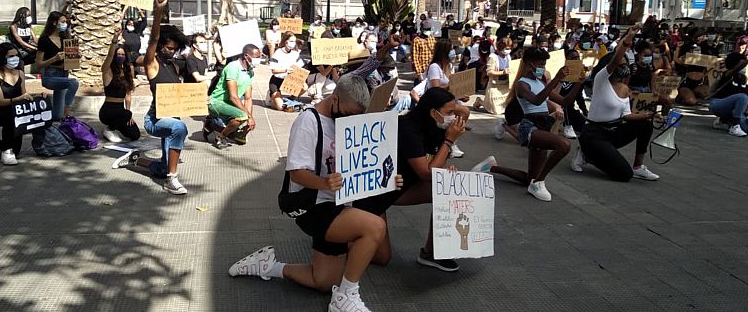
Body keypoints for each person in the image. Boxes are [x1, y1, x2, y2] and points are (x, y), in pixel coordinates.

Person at [229, 76, 398, 312]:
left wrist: (387, 177)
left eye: (355, 115)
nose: (351, 119)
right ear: (335, 99)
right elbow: (297, 173)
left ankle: (268, 266)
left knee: (325, 282)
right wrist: (324, 183)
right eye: (348, 113)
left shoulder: (348, 117)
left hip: (341, 202)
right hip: (316, 207)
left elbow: (365, 163)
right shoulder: (308, 122)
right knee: (374, 227)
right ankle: (346, 297)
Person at [354, 88, 470, 272]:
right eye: (449, 113)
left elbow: (436, 169)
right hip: (378, 191)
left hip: (404, 185)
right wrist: (449, 142)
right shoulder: (409, 129)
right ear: (433, 113)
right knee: (382, 258)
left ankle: (431, 252)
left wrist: (454, 118)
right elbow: (426, 173)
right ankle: (345, 234)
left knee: (449, 189)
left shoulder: (437, 127)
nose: (453, 117)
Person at [117, 0, 190, 195]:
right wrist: (158, 11)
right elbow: (154, 38)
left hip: (172, 115)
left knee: (163, 167)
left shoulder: (174, 66)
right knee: (179, 128)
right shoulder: (152, 63)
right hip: (155, 118)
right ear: (160, 47)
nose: (172, 52)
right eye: (168, 48)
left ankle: (135, 159)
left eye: (175, 49)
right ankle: (171, 181)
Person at [574, 25, 661, 182]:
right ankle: (588, 154)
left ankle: (638, 166)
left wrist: (647, 115)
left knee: (645, 125)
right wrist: (628, 39)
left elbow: (626, 116)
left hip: (613, 132)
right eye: (621, 65)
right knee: (623, 175)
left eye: (625, 64)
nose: (624, 67)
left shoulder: (624, 88)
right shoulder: (601, 80)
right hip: (594, 133)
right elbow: (615, 58)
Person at [487, 47, 571, 201]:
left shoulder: (539, 81)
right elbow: (537, 100)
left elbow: (565, 101)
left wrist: (579, 82)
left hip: (543, 126)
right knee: (564, 145)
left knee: (529, 178)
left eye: (544, 65)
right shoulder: (522, 84)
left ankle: (491, 167)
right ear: (529, 64)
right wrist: (556, 79)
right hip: (530, 127)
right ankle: (539, 182)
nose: (542, 68)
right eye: (540, 64)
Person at [0, 43, 33, 165]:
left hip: (14, 110)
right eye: (11, 56)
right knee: (11, 117)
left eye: (16, 55)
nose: (15, 58)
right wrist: (19, 98)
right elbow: (1, 101)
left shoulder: (20, 73)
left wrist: (37, 97)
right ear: (2, 57)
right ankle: (6, 152)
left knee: (17, 151)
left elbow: (23, 95)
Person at [206, 44, 261, 145]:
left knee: (245, 121)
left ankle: (219, 128)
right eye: (256, 57)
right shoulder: (233, 67)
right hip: (217, 102)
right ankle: (220, 137)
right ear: (246, 56)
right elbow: (233, 97)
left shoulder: (250, 72)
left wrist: (250, 118)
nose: (259, 60)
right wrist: (248, 116)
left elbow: (248, 98)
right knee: (242, 116)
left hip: (231, 104)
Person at [35, 11, 78, 121]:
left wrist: (75, 56)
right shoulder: (44, 39)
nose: (65, 24)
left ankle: (43, 115)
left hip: (63, 74)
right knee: (74, 83)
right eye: (63, 22)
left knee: (57, 116)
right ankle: (67, 108)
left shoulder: (66, 38)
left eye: (66, 22)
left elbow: (71, 65)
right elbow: (39, 64)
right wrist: (54, 58)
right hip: (50, 75)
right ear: (54, 23)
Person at [99, 31, 140, 144]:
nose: (120, 56)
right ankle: (109, 129)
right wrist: (115, 39)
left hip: (121, 112)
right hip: (108, 110)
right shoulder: (108, 71)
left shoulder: (126, 72)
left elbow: (128, 95)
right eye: (118, 54)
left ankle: (117, 127)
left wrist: (128, 116)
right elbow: (110, 56)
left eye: (122, 54)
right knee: (125, 114)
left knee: (135, 135)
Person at [708, 52, 748, 137]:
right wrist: (745, 60)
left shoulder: (743, 78)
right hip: (717, 104)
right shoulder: (727, 74)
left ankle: (725, 119)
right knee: (742, 97)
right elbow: (741, 65)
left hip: (732, 108)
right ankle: (735, 126)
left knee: (746, 127)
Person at [268, 32, 306, 111]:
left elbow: (301, 66)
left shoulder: (295, 53)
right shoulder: (278, 53)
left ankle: (291, 99)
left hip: (290, 79)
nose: (293, 43)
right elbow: (273, 70)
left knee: (304, 87)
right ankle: (272, 97)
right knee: (280, 107)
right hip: (277, 80)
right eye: (291, 41)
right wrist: (286, 70)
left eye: (294, 41)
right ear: (286, 41)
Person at [674, 29, 712, 105]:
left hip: (699, 83)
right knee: (691, 101)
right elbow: (677, 60)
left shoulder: (705, 54)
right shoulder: (687, 56)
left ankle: (694, 93)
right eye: (695, 50)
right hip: (687, 83)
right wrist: (678, 48)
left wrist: (706, 75)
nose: (696, 51)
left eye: (698, 50)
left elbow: (712, 65)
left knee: (708, 93)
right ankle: (682, 96)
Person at [555, 49, 587, 139]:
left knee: (585, 128)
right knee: (565, 104)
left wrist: (585, 111)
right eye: (573, 58)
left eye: (577, 58)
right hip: (557, 105)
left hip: (570, 108)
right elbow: (554, 92)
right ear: (567, 60)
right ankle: (567, 126)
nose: (576, 60)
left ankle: (570, 123)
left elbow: (579, 96)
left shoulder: (580, 75)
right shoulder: (562, 72)